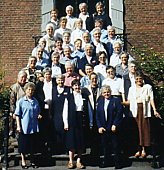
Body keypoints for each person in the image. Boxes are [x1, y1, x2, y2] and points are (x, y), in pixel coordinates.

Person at [123, 72, 161, 158]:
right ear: (134, 80)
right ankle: (138, 149)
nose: (138, 80)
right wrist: (120, 103)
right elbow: (129, 101)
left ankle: (144, 150)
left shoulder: (148, 87)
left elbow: (151, 99)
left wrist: (154, 110)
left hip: (144, 111)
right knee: (136, 131)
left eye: (140, 79)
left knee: (144, 130)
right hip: (134, 112)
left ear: (142, 79)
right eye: (136, 79)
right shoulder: (131, 89)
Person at [51, 74, 76, 169]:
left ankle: (66, 149)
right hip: (56, 113)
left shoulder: (68, 89)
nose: (60, 81)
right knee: (57, 130)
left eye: (62, 80)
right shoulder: (53, 89)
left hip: (65, 113)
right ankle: (58, 149)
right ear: (56, 81)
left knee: (66, 131)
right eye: (58, 80)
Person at [15, 82, 42, 169]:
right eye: (29, 90)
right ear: (25, 90)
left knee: (32, 145)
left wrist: (39, 115)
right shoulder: (21, 101)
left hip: (33, 127)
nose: (30, 91)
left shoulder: (35, 101)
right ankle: (23, 161)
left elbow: (38, 112)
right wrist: (18, 126)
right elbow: (17, 115)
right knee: (23, 145)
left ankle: (32, 161)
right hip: (24, 127)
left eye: (32, 90)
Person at [96, 85, 123, 168]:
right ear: (102, 93)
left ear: (110, 92)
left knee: (115, 145)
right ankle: (106, 162)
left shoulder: (116, 100)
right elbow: (97, 115)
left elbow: (119, 113)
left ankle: (117, 162)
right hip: (104, 127)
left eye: (108, 92)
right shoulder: (100, 101)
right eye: (104, 92)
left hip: (113, 127)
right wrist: (99, 126)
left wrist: (115, 124)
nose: (106, 94)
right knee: (105, 146)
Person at [81, 72, 101, 163]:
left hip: (98, 115)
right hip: (89, 114)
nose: (94, 80)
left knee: (98, 134)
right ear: (89, 79)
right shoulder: (85, 90)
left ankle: (96, 153)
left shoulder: (100, 90)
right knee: (90, 134)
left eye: (95, 78)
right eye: (92, 78)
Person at [70, 79, 86, 169]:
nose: (77, 87)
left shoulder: (83, 96)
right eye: (75, 86)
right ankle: (71, 161)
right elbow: (65, 110)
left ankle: (79, 161)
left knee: (80, 141)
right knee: (71, 141)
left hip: (81, 119)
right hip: (72, 119)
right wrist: (66, 123)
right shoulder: (69, 96)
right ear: (72, 87)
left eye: (78, 85)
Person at [9, 71, 27, 137]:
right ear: (18, 77)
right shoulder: (14, 87)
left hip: (26, 112)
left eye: (25, 77)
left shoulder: (27, 86)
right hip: (17, 112)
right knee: (18, 131)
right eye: (22, 77)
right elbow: (12, 102)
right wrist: (13, 112)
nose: (23, 79)